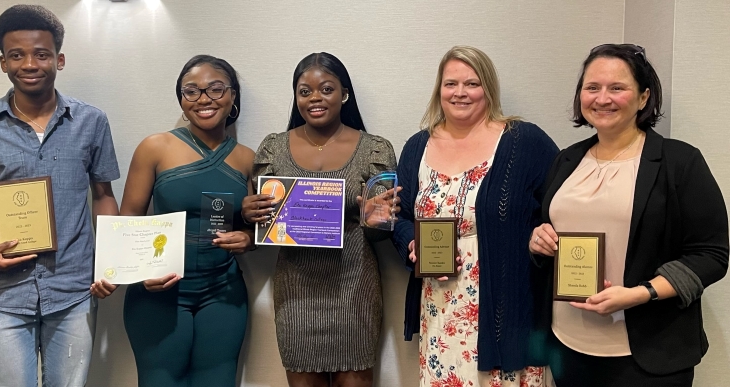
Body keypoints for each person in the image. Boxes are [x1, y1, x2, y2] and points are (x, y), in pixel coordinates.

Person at [0, 5, 120, 386]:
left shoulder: (91, 122)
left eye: (41, 53)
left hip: (74, 289)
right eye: (17, 55)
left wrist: (111, 261)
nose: (29, 63)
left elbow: (103, 195)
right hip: (1, 295)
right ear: (3, 62)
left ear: (59, 59)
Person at [529, 44, 729, 387]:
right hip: (568, 345)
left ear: (643, 97)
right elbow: (550, 235)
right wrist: (539, 243)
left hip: (647, 354)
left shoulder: (679, 162)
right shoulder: (566, 160)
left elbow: (712, 255)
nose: (602, 98)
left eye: (617, 88)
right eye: (592, 88)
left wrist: (640, 293)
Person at [392, 45, 558, 386]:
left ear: (489, 88)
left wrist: (544, 235)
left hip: (505, 310)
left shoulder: (522, 141)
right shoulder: (417, 146)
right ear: (439, 89)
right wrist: (410, 242)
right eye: (451, 83)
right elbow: (400, 216)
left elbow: (564, 200)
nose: (460, 93)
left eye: (472, 83)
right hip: (440, 309)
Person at [242, 52, 397, 387]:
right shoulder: (273, 148)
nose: (315, 98)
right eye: (304, 91)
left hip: (354, 283)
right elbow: (263, 225)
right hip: (296, 287)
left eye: (326, 89)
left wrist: (378, 219)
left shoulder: (376, 149)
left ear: (344, 94)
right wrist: (249, 214)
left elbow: (381, 235)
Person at [120, 55, 254, 387]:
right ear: (181, 99)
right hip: (158, 294)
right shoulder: (155, 147)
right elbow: (128, 221)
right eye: (191, 91)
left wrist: (248, 239)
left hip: (223, 293)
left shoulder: (248, 158)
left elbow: (256, 226)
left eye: (216, 88)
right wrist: (139, 273)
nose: (204, 99)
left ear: (233, 96)